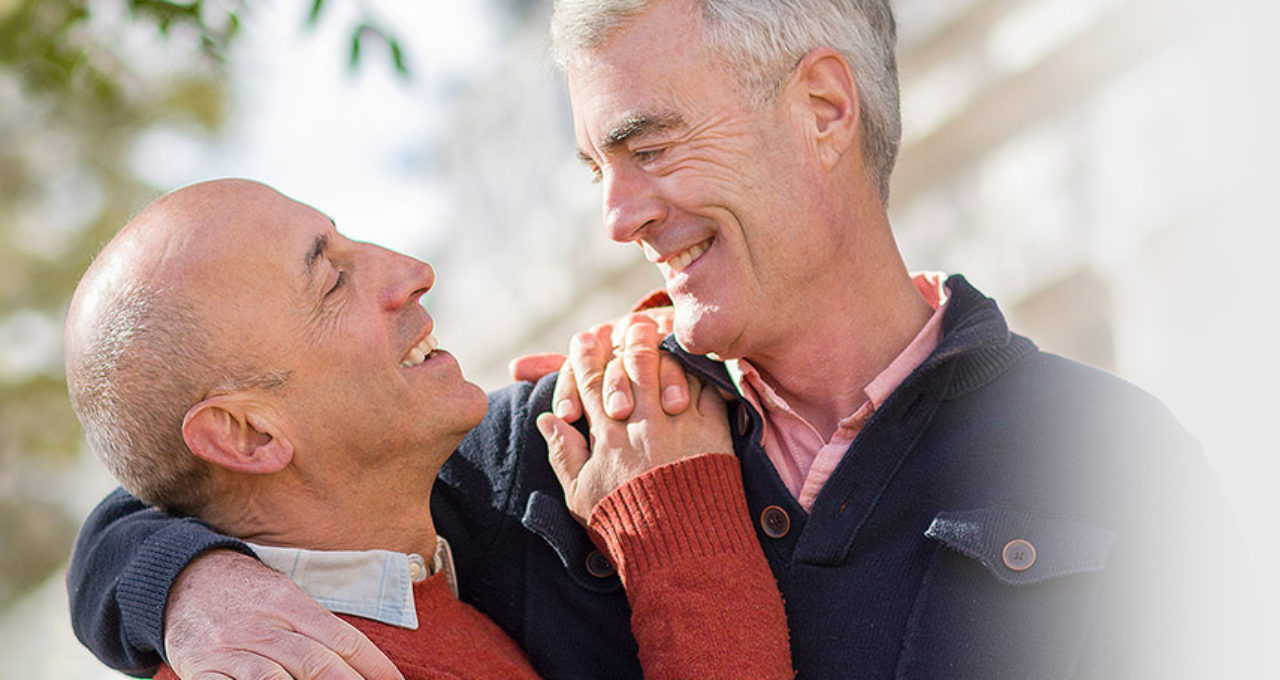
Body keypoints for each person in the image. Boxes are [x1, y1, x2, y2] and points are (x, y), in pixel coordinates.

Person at [69, 1, 1240, 678]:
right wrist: (184, 586)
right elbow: (203, 466)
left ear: (823, 109)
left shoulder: (1119, 458)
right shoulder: (560, 431)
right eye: (595, 168)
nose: (616, 218)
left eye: (650, 147)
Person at [64, 178, 793, 679]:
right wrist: (678, 533)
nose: (413, 271)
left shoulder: (429, 568)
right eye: (334, 279)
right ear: (249, 436)